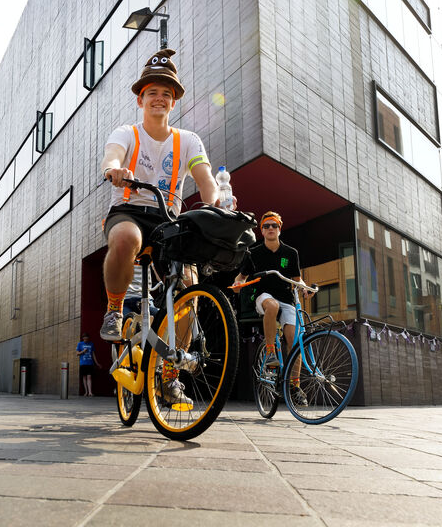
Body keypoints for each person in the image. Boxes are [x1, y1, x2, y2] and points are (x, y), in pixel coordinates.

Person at [99, 48, 221, 406]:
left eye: (167, 94)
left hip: (169, 219)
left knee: (188, 287)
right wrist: (115, 170)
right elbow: (112, 156)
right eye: (152, 92)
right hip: (130, 209)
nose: (159, 98)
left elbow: (205, 178)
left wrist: (214, 200)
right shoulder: (127, 132)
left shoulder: (188, 140)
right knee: (126, 238)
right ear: (141, 98)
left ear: (173, 102)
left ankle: (170, 377)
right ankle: (114, 309)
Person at [231, 211, 308, 407]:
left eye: (274, 225)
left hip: (287, 300)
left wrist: (307, 290)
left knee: (294, 339)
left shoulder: (291, 253)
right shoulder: (253, 253)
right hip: (263, 297)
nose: (270, 229)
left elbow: (297, 281)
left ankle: (294, 386)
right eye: (266, 226)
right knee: (271, 305)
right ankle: (271, 351)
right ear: (262, 231)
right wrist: (238, 285)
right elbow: (241, 278)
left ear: (280, 229)